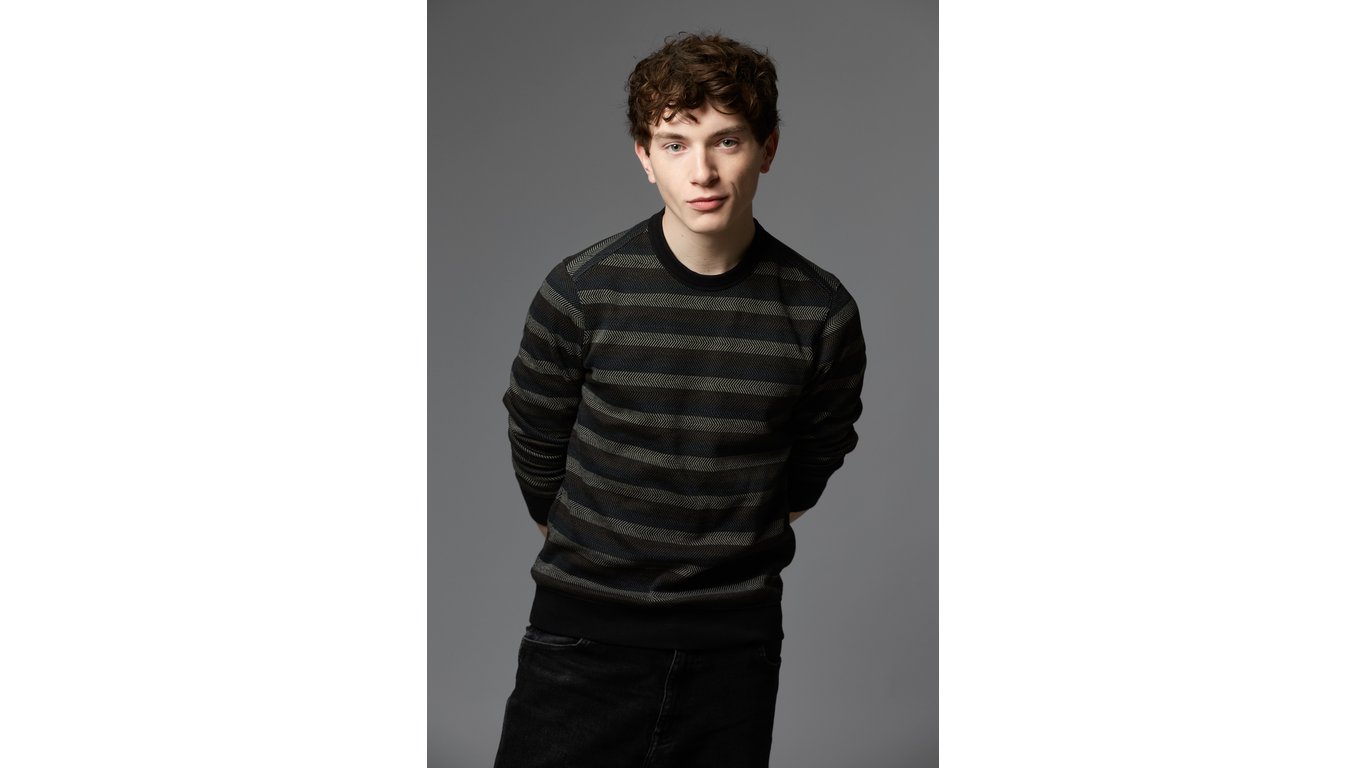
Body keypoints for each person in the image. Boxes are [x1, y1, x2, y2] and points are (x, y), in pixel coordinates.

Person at [493, 31, 866, 768]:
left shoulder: (821, 311)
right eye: (675, 144)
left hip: (732, 652)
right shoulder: (581, 291)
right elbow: (536, 441)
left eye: (727, 141)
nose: (702, 171)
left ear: (767, 148)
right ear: (644, 156)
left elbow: (817, 456)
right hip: (581, 638)